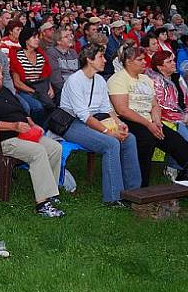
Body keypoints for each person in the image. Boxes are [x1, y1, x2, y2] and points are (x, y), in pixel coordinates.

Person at [109, 45, 188, 186]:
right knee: (146, 139)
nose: (144, 62)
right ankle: (141, 187)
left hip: (149, 120)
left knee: (175, 140)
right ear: (128, 62)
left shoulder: (145, 79)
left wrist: (157, 122)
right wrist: (149, 125)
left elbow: (155, 105)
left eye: (144, 59)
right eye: (140, 60)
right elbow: (122, 110)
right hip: (127, 120)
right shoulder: (118, 79)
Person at [0, 61, 65, 218]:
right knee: (38, 151)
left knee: (55, 147)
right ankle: (42, 205)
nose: (1, 76)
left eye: (1, 72)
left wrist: (33, 125)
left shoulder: (5, 91)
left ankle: (50, 193)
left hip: (22, 133)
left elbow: (22, 111)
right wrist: (13, 126)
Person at [59, 44, 141, 205]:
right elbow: (83, 115)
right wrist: (108, 132)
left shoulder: (100, 80)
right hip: (72, 123)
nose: (105, 60)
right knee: (110, 143)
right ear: (89, 59)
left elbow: (107, 109)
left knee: (129, 138)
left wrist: (119, 124)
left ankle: (134, 193)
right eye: (100, 57)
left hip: (95, 119)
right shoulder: (75, 80)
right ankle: (113, 197)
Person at [145, 50, 188, 174]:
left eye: (173, 60)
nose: (174, 63)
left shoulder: (177, 77)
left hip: (184, 116)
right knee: (184, 135)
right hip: (166, 118)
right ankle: (174, 168)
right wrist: (182, 117)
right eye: (169, 62)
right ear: (160, 67)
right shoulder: (155, 81)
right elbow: (161, 105)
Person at [9, 27, 53, 126]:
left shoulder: (41, 55)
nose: (37, 39)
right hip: (24, 89)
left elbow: (45, 76)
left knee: (52, 105)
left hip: (40, 87)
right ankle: (36, 128)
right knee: (38, 107)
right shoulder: (17, 56)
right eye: (34, 37)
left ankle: (46, 129)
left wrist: (50, 88)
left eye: (38, 37)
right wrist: (34, 92)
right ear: (26, 39)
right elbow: (17, 82)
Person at [46, 28, 79, 95]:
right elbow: (56, 81)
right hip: (63, 91)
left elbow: (79, 73)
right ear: (59, 41)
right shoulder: (52, 53)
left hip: (77, 88)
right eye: (66, 37)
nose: (70, 38)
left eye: (70, 35)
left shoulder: (73, 52)